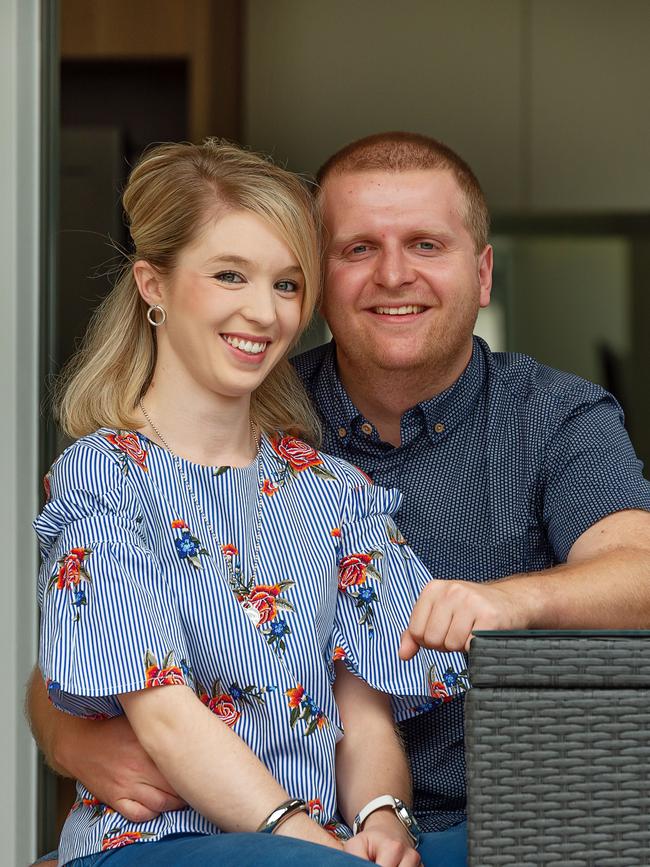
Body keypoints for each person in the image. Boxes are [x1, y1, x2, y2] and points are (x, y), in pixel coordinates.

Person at [29, 130, 650, 855]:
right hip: (256, 828)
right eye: (358, 249)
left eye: (426, 244)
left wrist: (509, 602)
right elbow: (86, 654)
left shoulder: (541, 419)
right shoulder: (186, 436)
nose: (394, 275)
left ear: (483, 274)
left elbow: (638, 572)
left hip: (479, 811)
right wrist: (69, 734)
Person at [30, 139, 469, 867]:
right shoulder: (102, 477)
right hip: (162, 843)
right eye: (230, 274)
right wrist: (306, 840)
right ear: (154, 285)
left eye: (288, 285)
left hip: (324, 846)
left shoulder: (336, 491)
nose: (263, 313)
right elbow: (166, 720)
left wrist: (384, 822)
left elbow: (364, 715)